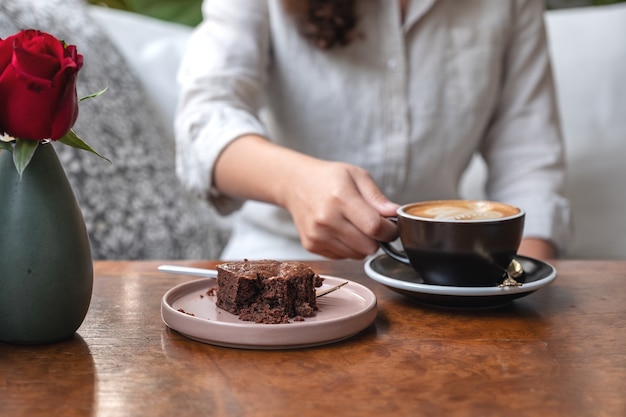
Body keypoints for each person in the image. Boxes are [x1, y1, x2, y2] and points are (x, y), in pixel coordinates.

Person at [175, 0, 571, 261]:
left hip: (440, 274)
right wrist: (293, 183)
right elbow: (205, 118)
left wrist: (518, 279)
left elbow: (529, 163)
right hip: (280, 259)